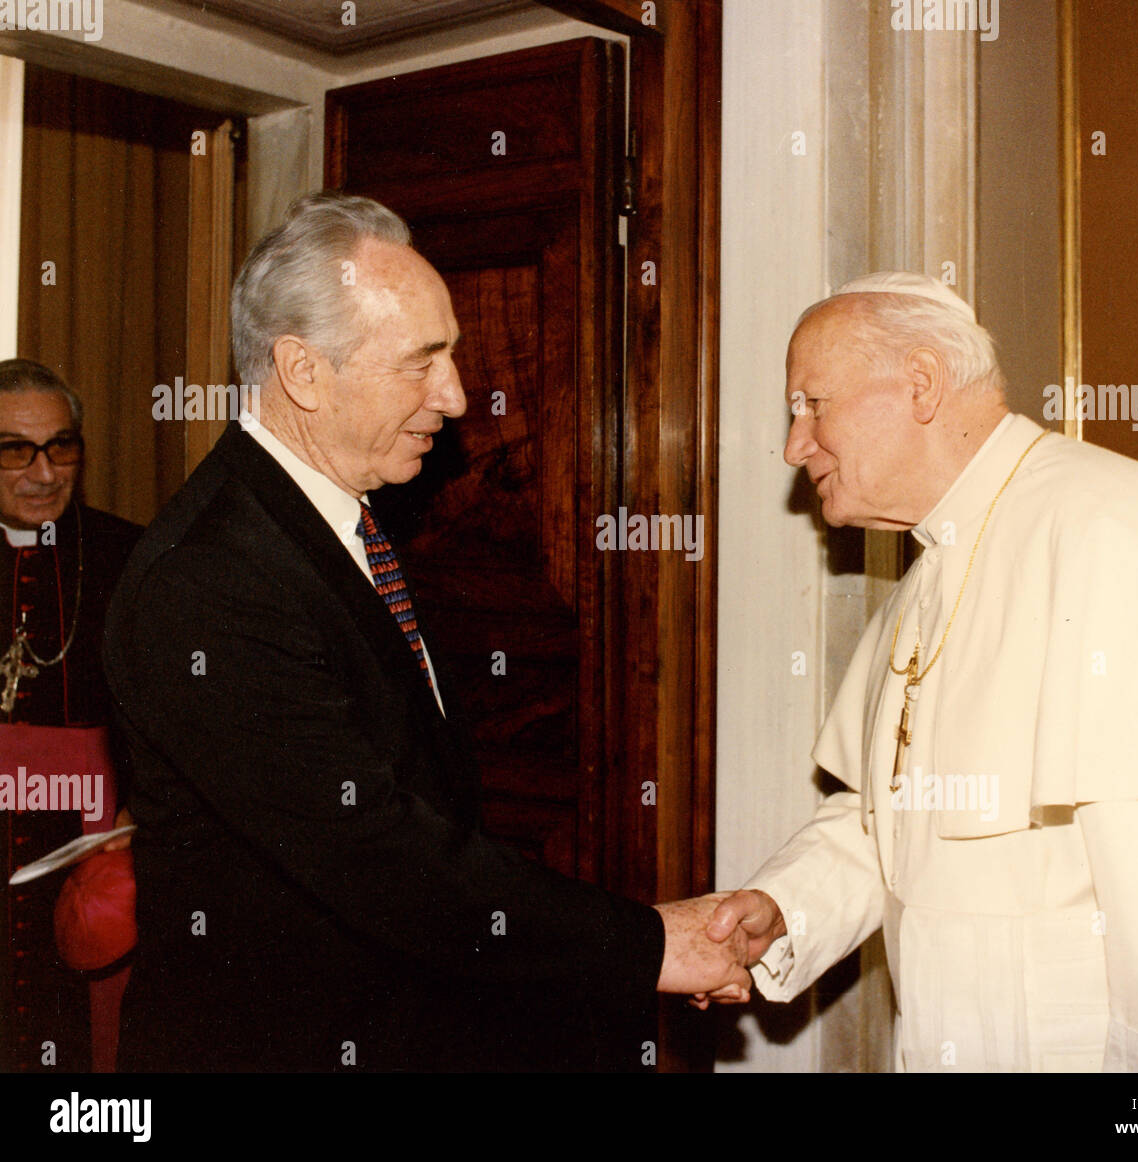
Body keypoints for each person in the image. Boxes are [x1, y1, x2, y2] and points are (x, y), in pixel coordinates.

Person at [103, 191, 748, 1072]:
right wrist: (645, 945)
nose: (455, 395)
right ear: (302, 371)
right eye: (423, 361)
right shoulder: (209, 576)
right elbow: (374, 851)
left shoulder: (342, 519)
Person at [700, 272, 1138, 1071]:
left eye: (812, 404)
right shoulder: (933, 567)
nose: (793, 446)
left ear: (919, 384)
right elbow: (900, 822)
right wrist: (785, 907)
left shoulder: (1112, 536)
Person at [0, 358, 140, 1072]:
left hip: (85, 835)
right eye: (13, 450)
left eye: (61, 446)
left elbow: (168, 712)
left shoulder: (127, 556)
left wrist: (139, 808)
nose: (44, 471)